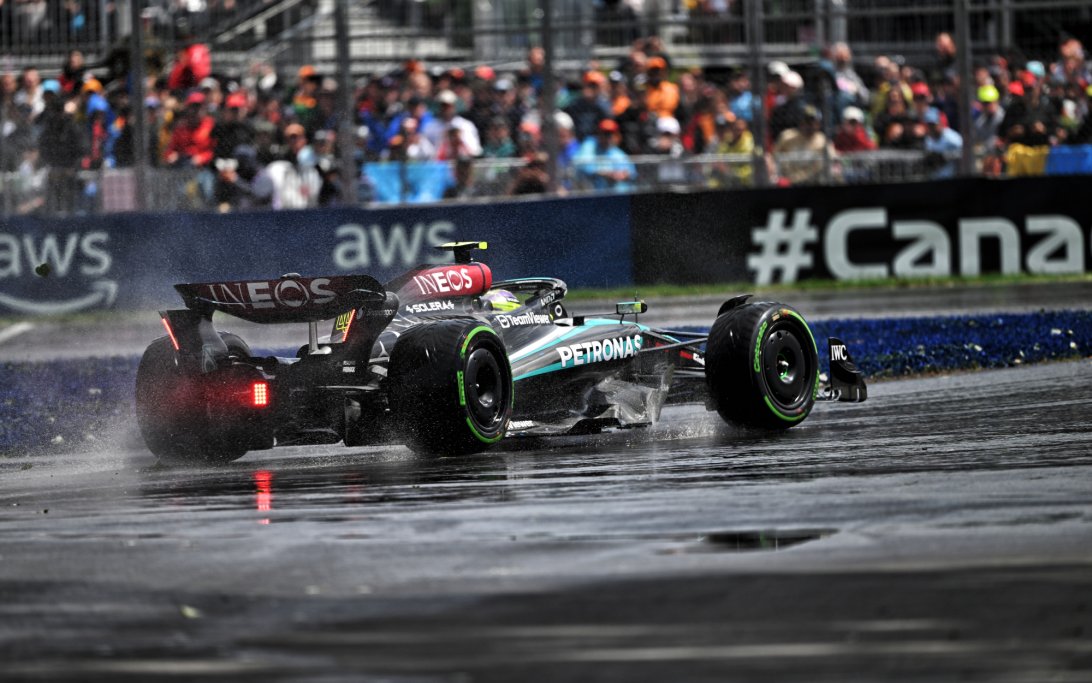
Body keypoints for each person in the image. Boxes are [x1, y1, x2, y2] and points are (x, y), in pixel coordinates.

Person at [773, 105, 834, 185]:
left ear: (818, 124)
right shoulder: (787, 137)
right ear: (801, 122)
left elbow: (833, 160)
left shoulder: (822, 140)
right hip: (790, 182)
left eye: (813, 122)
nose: (810, 125)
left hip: (814, 182)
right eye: (807, 122)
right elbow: (774, 157)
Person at [574, 118, 636, 192]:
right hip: (593, 193)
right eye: (605, 133)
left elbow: (631, 172)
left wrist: (623, 175)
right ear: (598, 133)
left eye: (610, 134)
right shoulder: (590, 145)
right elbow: (582, 165)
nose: (608, 137)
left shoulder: (617, 152)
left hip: (616, 194)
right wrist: (605, 173)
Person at [922, 107, 962, 178]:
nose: (931, 128)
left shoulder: (951, 137)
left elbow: (966, 152)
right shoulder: (928, 139)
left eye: (933, 125)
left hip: (953, 178)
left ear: (940, 123)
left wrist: (946, 156)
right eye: (929, 125)